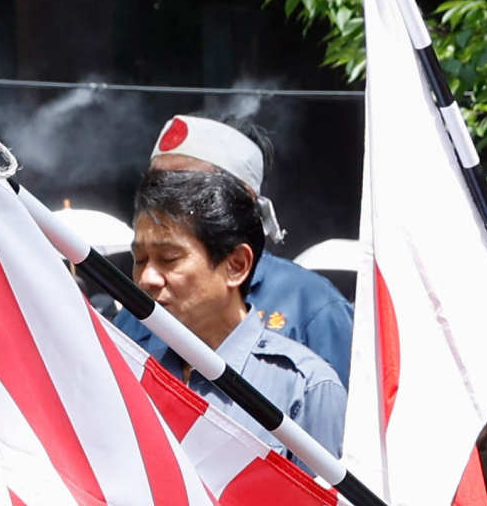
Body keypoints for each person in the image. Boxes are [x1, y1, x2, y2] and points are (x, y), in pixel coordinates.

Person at [125, 158, 345, 449]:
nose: (147, 278)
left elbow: (325, 494)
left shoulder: (305, 388)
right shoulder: (130, 372)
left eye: (169, 259)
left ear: (236, 265)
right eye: (140, 260)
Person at [148, 114, 350, 388]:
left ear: (241, 199)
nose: (163, 201)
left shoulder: (312, 306)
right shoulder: (138, 308)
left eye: (187, 186)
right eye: (155, 185)